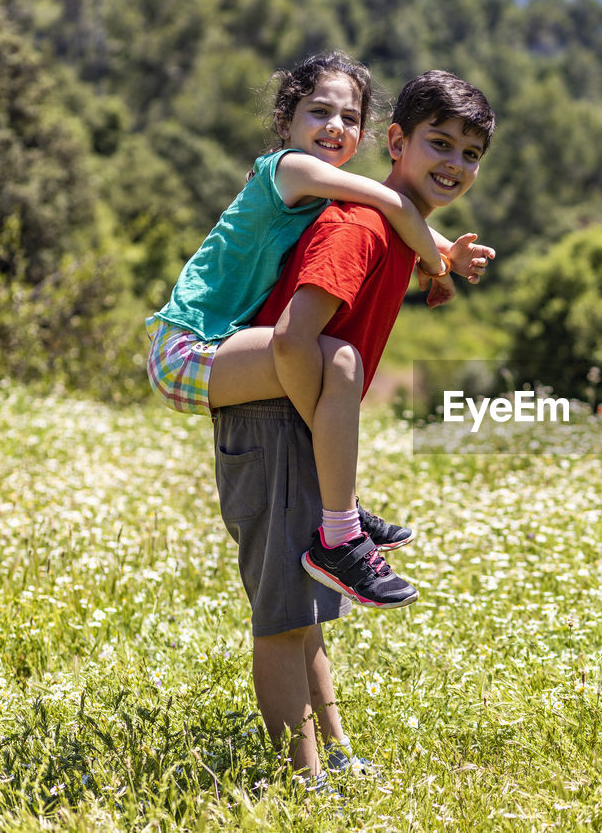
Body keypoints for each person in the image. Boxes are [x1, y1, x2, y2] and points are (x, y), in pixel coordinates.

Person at [212, 69, 495, 780]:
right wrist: (313, 425)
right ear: (395, 141)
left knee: (309, 605)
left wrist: (438, 261)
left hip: (297, 415)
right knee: (284, 616)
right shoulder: (361, 224)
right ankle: (301, 781)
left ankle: (334, 755)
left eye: (470, 154)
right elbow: (291, 337)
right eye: (440, 144)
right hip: (274, 415)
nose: (455, 165)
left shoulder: (397, 229)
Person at [145, 51, 486, 604]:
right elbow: (391, 201)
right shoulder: (291, 168)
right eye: (318, 111)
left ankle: (342, 514)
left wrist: (440, 255)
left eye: (350, 118)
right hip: (185, 351)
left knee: (335, 371)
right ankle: (342, 527)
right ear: (285, 120)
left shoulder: (330, 190)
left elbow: (394, 209)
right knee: (339, 363)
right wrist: (439, 258)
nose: (335, 126)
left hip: (221, 343)